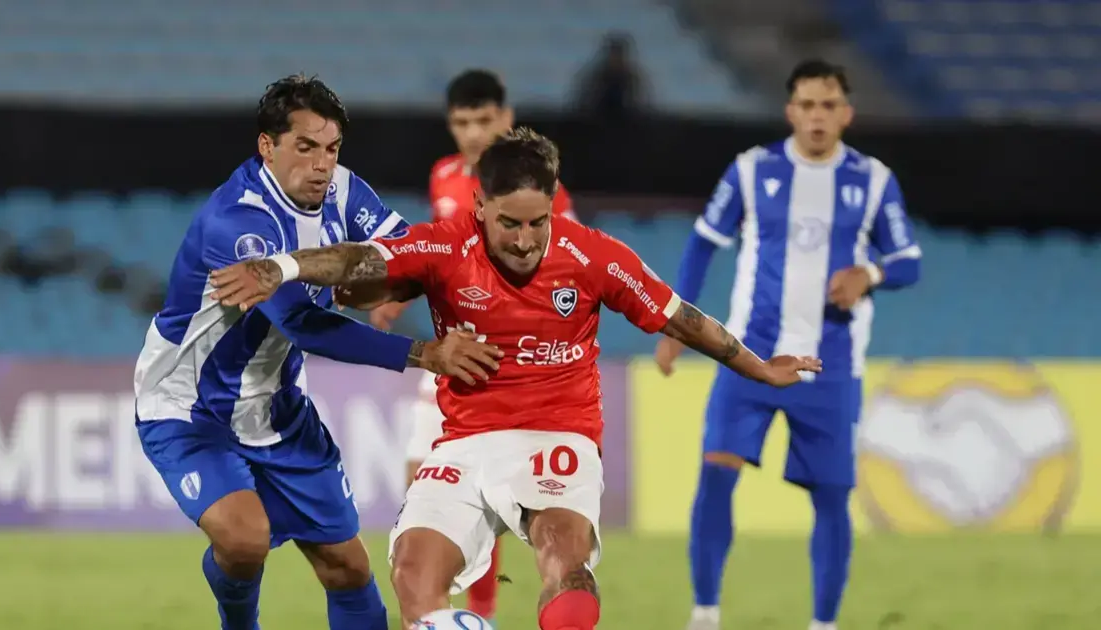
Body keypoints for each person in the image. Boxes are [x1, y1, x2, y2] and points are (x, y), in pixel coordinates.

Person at [208, 127, 822, 630]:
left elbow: (683, 319)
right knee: (412, 576)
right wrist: (283, 266)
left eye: (539, 223)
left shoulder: (594, 256)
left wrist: (760, 367)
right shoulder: (446, 247)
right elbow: (360, 260)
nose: (526, 241)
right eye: (510, 224)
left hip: (558, 436)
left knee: (563, 555)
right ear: (480, 207)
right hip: (465, 444)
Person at [132, 74, 501, 630]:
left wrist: (418, 280)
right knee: (245, 538)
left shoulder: (345, 191)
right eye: (305, 148)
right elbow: (305, 325)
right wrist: (425, 353)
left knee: (347, 567)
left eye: (331, 149)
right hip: (190, 408)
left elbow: (407, 253)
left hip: (277, 408)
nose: (322, 165)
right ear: (268, 146)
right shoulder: (239, 225)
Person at [653, 59, 922, 630]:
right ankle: (705, 614)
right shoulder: (752, 171)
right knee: (716, 470)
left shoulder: (873, 180)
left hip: (832, 365)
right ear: (790, 111)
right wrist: (675, 324)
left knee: (830, 497)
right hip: (749, 356)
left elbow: (908, 260)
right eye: (807, 104)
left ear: (846, 113)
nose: (817, 116)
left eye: (828, 105)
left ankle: (823, 624)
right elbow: (704, 244)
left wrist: (868, 275)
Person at [368, 68, 580, 623]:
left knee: (488, 495)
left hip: (507, 374)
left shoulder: (532, 190)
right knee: (425, 489)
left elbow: (569, 267)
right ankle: (450, 610)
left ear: (506, 120)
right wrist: (399, 291)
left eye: (484, 120)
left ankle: (478, 611)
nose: (473, 132)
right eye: (462, 122)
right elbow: (446, 256)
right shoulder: (444, 176)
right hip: (448, 357)